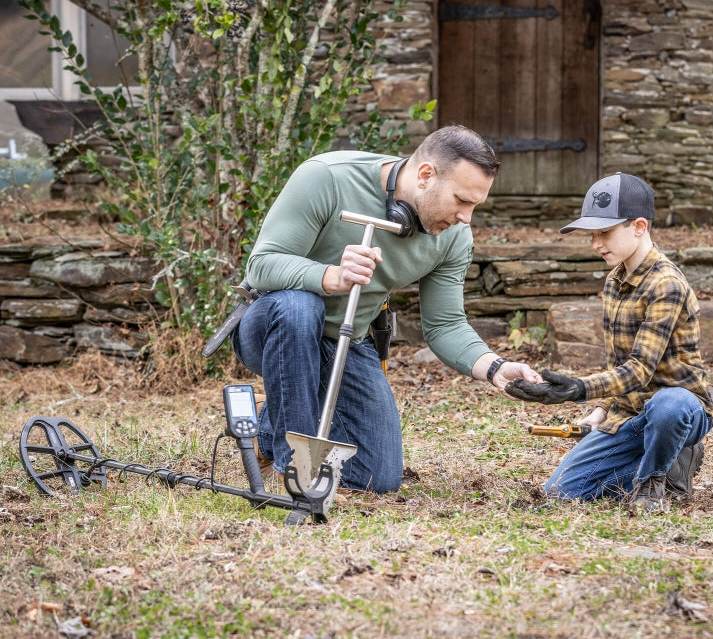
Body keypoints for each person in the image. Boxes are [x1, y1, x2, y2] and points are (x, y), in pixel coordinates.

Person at [232, 125, 541, 493]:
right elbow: (262, 265)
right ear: (425, 175)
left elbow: (445, 324)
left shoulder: (454, 236)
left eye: (475, 205)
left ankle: (267, 424)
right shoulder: (327, 178)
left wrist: (495, 367)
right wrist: (331, 275)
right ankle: (297, 471)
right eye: (461, 200)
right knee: (301, 305)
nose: (466, 217)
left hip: (345, 340)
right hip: (273, 326)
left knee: (377, 477)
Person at [505, 172, 713, 511]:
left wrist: (577, 388)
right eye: (592, 235)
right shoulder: (615, 280)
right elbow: (618, 363)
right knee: (560, 492)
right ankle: (671, 463)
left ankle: (652, 485)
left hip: (680, 410)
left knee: (669, 405)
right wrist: (601, 410)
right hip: (629, 414)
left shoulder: (667, 285)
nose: (595, 244)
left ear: (639, 226)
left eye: (604, 233)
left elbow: (640, 370)